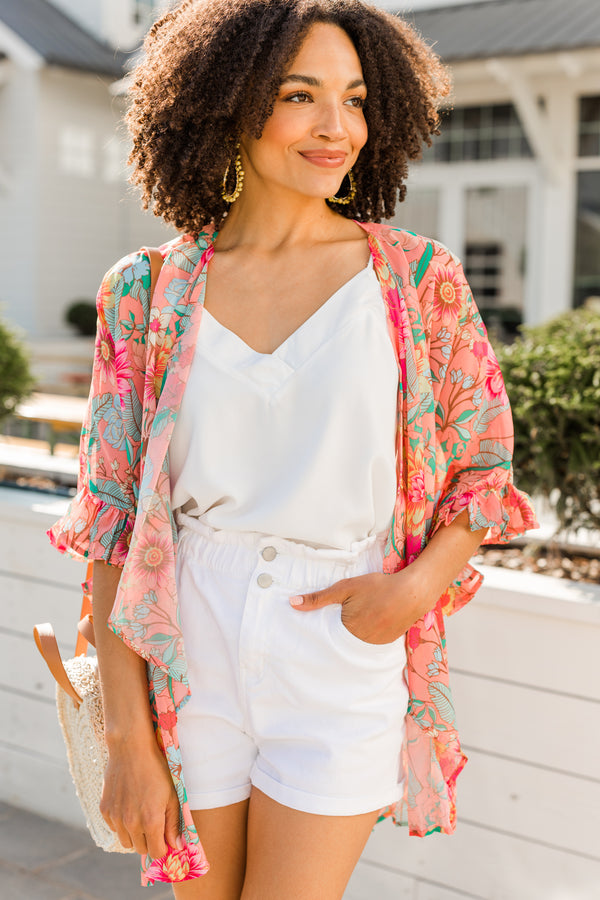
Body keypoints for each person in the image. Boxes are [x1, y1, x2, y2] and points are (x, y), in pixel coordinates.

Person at [48, 1, 537, 897]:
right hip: (185, 640)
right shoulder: (147, 292)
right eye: (300, 94)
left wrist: (411, 591)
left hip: (339, 639)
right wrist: (125, 738)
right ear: (223, 103)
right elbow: (111, 525)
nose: (335, 127)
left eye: (354, 99)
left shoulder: (418, 281)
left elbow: (486, 467)